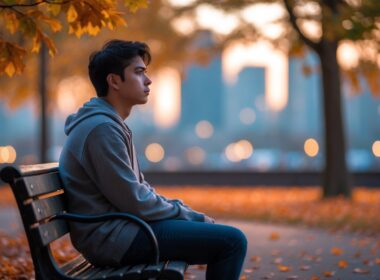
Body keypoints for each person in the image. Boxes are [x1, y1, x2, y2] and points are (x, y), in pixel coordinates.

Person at [59, 39, 247, 280]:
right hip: (114, 239)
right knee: (232, 241)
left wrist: (184, 211)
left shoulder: (108, 125)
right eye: (138, 72)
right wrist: (191, 216)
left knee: (224, 237)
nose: (148, 80)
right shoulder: (101, 129)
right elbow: (135, 200)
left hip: (121, 230)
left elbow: (139, 191)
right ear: (114, 81)